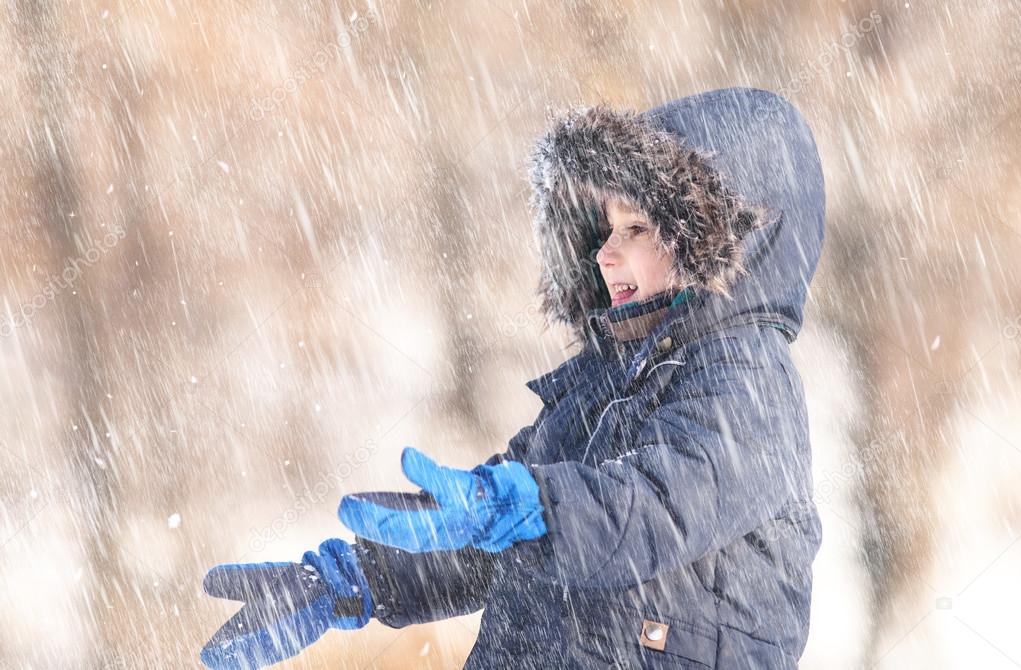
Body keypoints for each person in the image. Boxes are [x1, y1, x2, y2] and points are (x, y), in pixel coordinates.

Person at [199, 86, 826, 669]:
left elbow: (653, 508)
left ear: (718, 241)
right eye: (605, 229)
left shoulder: (749, 382)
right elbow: (486, 542)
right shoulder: (601, 389)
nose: (606, 252)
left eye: (635, 228)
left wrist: (531, 507)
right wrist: (353, 579)